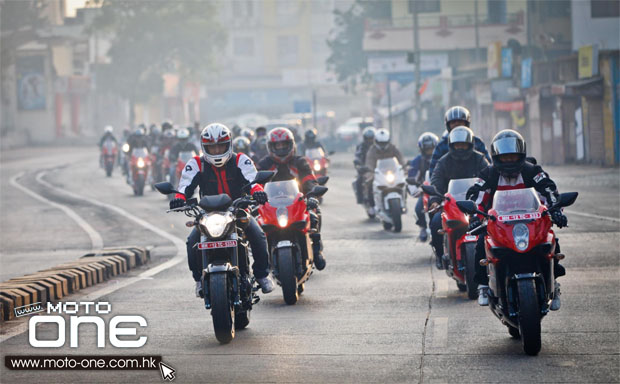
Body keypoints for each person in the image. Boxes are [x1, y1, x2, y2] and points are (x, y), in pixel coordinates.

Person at [168, 123, 275, 297]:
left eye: (221, 146)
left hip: (238, 209)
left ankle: (262, 275)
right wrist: (179, 198)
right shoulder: (196, 163)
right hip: (207, 214)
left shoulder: (241, 159)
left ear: (229, 144)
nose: (217, 150)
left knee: (259, 235)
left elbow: (252, 179)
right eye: (212, 147)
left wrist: (258, 192)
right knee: (191, 242)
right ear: (204, 147)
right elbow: (185, 184)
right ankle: (199, 280)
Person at [466, 129, 567, 309]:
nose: (509, 161)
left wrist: (557, 210)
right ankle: (482, 284)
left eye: (513, 156)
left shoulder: (532, 171)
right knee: (482, 240)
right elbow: (476, 195)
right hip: (499, 224)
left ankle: (554, 283)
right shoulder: (488, 174)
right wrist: (475, 215)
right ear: (496, 157)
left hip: (531, 222)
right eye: (505, 158)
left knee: (550, 239)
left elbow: (549, 190)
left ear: (521, 154)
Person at [256, 127, 327, 270]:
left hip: (297, 203)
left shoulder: (300, 162)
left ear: (291, 145)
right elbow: (256, 183)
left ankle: (317, 250)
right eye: (278, 145)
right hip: (271, 205)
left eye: (284, 145)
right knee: (256, 225)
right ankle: (262, 261)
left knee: (314, 215)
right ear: (271, 147)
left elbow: (309, 179)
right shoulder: (264, 164)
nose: (281, 148)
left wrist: (312, 193)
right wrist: (254, 196)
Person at [428, 126, 489, 270]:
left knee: (492, 223)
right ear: (451, 145)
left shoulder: (480, 159)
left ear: (470, 144)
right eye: (457, 145)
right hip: (451, 204)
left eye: (463, 145)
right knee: (436, 221)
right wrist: (435, 200)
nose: (460, 148)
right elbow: (436, 181)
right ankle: (440, 253)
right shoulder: (443, 161)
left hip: (476, 203)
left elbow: (489, 177)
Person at [428, 106, 491, 176]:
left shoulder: (478, 143)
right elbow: (434, 173)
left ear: (466, 124)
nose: (456, 124)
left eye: (460, 121)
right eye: (453, 122)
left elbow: (489, 169)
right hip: (448, 185)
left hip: (476, 184)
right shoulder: (441, 146)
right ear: (448, 125)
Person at [407, 132, 439, 242]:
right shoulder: (417, 161)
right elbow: (412, 175)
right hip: (425, 191)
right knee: (418, 208)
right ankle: (423, 228)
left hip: (441, 191)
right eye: (427, 149)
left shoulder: (442, 159)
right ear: (422, 149)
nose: (430, 152)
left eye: (432, 149)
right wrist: (417, 188)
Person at [364, 129, 404, 214]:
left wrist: (405, 167)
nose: (383, 145)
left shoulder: (393, 148)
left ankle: (404, 200)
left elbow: (400, 159)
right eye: (381, 143)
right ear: (376, 142)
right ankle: (371, 205)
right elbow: (369, 162)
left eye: (384, 143)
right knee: (370, 184)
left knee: (404, 182)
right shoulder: (372, 150)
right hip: (378, 173)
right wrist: (370, 172)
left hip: (392, 172)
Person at [353, 127, 376, 204]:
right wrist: (359, 164)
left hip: (378, 168)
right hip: (366, 168)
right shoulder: (361, 147)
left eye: (371, 138)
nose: (370, 141)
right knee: (359, 180)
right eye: (368, 139)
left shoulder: (379, 146)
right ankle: (361, 199)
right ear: (365, 138)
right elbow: (357, 156)